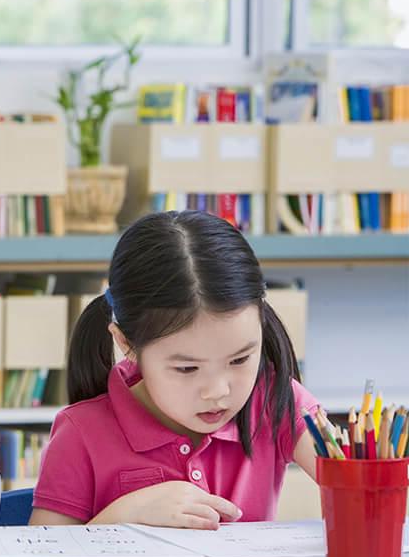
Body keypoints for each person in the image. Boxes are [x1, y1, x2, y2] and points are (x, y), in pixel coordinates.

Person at [30, 211, 319, 528]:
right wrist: (122, 516)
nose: (218, 391)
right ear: (126, 343)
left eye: (239, 360)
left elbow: (354, 477)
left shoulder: (274, 399)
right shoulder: (80, 433)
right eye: (186, 368)